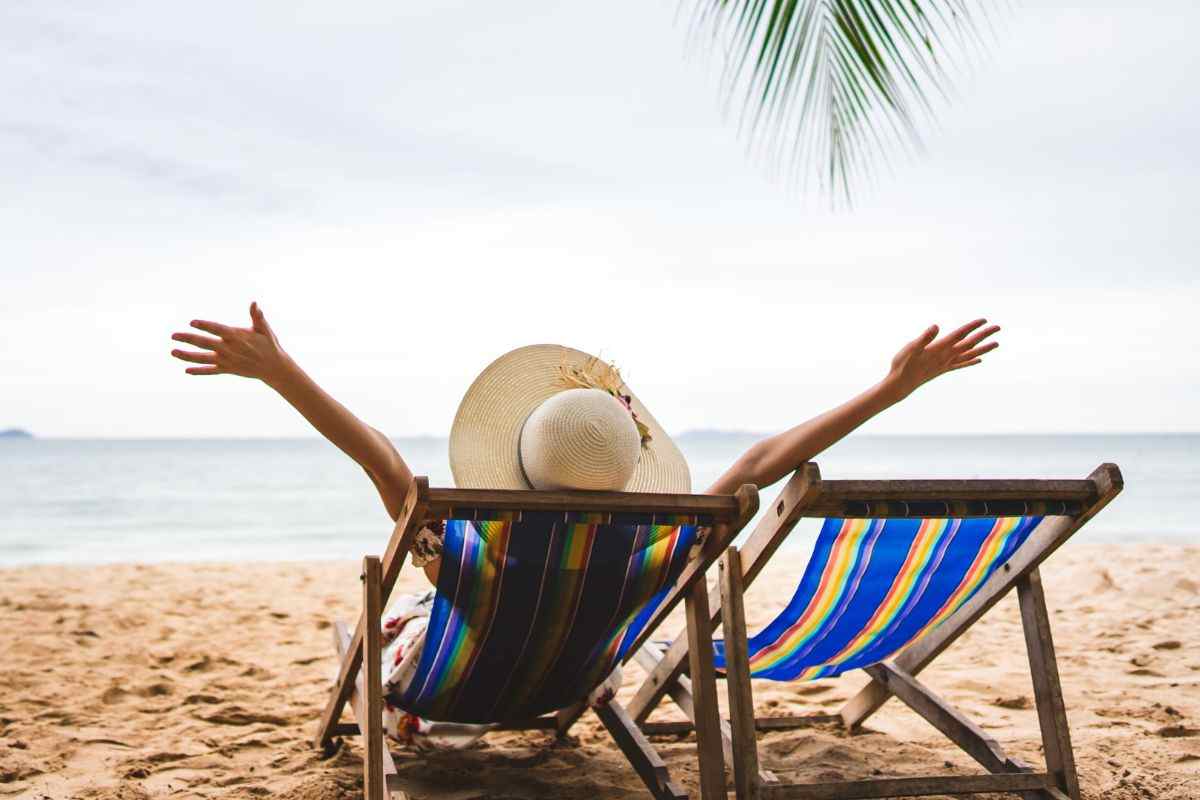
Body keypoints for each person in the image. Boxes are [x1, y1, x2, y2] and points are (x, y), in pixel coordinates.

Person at [169, 302, 999, 747]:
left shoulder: (473, 551)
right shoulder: (659, 550)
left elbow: (386, 467)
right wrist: (892, 390)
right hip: (569, 686)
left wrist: (282, 375)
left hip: (443, 685)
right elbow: (758, 467)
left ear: (514, 463)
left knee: (383, 621)